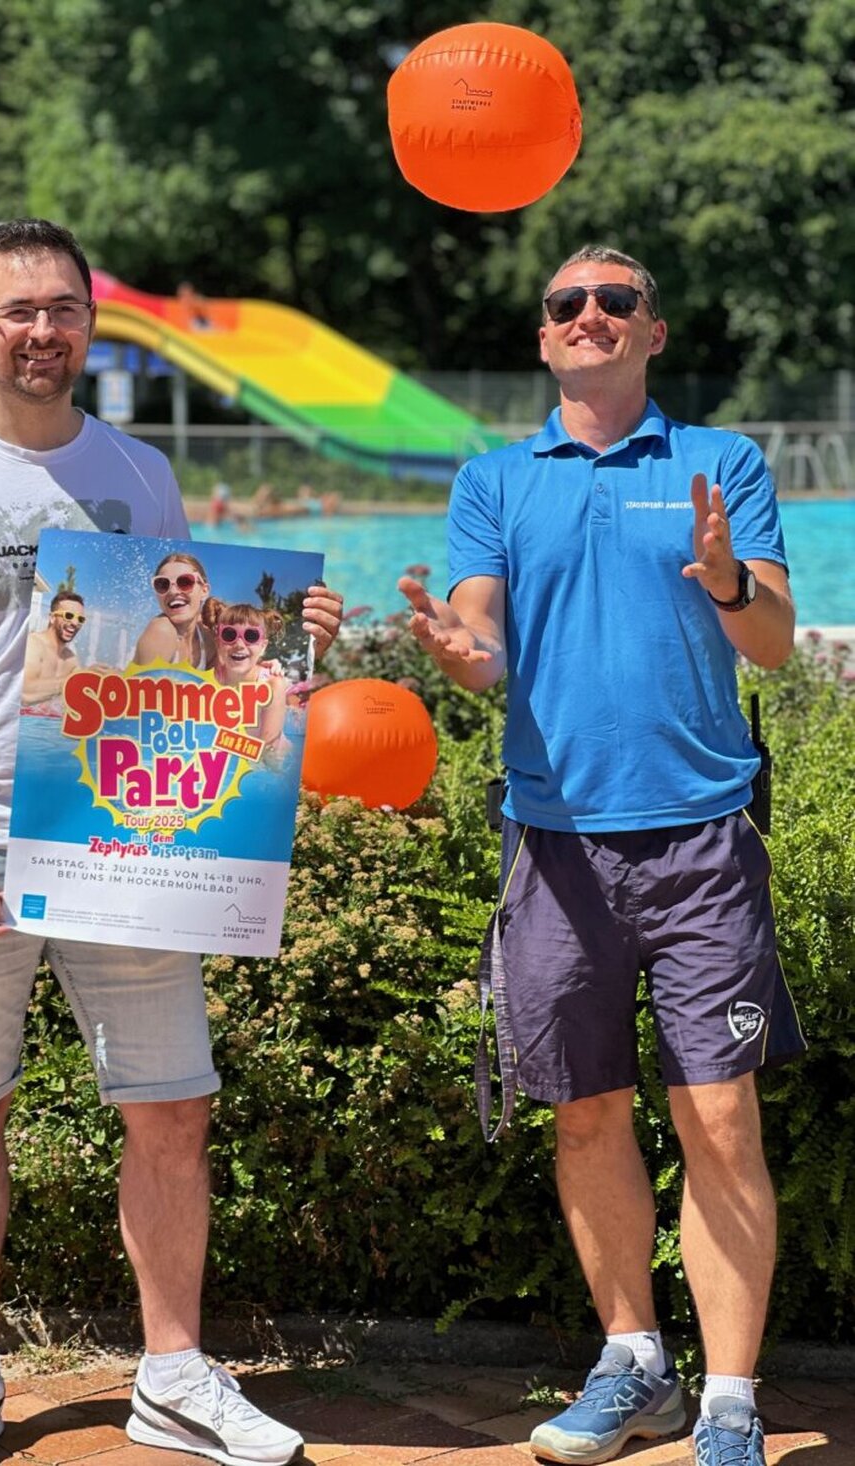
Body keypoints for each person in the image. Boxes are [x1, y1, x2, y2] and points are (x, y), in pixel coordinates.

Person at [0, 218, 343, 1466]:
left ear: (88, 321)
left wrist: (285, 630)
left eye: (63, 307)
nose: (43, 330)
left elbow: (179, 657)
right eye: (17, 310)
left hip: (125, 841)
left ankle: (171, 1376)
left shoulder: (135, 471)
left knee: (171, 1109)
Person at [400, 244, 803, 1466]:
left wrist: (728, 577)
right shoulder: (495, 479)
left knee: (719, 1116)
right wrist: (454, 651)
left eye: (612, 300)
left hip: (697, 836)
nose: (587, 315)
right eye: (565, 303)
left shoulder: (716, 464)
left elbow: (776, 644)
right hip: (554, 844)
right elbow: (479, 637)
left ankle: (727, 1396)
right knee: (583, 1115)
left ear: (650, 331)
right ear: (542, 339)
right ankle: (634, 1361)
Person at [203, 598, 289, 765]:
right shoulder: (211, 681)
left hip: (275, 758)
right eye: (229, 635)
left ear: (263, 646)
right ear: (218, 643)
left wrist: (223, 742)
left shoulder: (272, 685)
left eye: (251, 636)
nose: (239, 644)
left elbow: (269, 752)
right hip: (238, 756)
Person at [134, 551, 217, 670]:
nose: (173, 592)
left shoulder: (207, 637)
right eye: (163, 584)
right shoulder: (162, 631)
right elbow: (138, 687)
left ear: (204, 591)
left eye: (185, 582)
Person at [21, 589, 88, 706]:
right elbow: (25, 693)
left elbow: (84, 690)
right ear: (52, 618)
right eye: (69, 615)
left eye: (80, 619)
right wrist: (73, 681)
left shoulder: (71, 659)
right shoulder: (33, 644)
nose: (75, 623)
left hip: (48, 721)